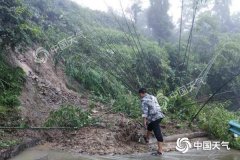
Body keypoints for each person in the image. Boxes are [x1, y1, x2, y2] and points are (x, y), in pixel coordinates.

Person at [139, 88, 165, 156]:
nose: (140, 96)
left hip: (154, 118)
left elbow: (145, 112)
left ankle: (160, 151)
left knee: (157, 133)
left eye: (140, 94)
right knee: (150, 126)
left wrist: (144, 121)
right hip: (160, 115)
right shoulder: (153, 97)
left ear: (141, 93)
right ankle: (147, 138)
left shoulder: (144, 100)